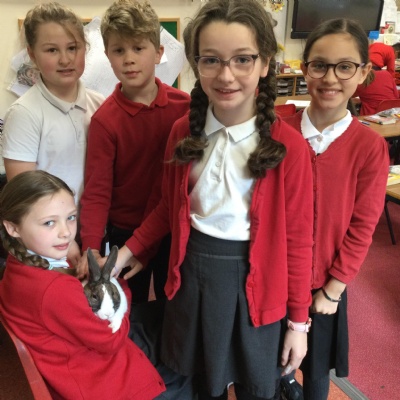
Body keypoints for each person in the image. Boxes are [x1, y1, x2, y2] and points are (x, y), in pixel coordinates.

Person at [110, 0, 315, 399]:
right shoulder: (182, 132)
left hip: (256, 283)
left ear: (265, 62)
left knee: (257, 385)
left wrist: (298, 324)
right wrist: (127, 252)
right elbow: (167, 208)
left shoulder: (287, 147)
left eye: (242, 59)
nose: (225, 75)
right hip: (193, 276)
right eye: (211, 60)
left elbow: (298, 241)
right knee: (202, 381)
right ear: (196, 63)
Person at [281, 18, 389, 400]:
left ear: (363, 72)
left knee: (316, 372)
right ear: (304, 68)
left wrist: (333, 289)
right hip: (271, 278)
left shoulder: (369, 148)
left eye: (344, 67)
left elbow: (363, 226)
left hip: (322, 286)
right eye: (319, 65)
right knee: (265, 367)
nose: (330, 78)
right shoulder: (277, 130)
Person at [0, 170, 165, 400]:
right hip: (99, 380)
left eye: (71, 217)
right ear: (13, 228)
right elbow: (112, 339)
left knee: (165, 319)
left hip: (71, 360)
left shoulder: (17, 263)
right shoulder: (55, 290)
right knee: (179, 332)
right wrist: (117, 287)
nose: (66, 232)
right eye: (49, 222)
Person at [76, 0, 190, 304]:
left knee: (173, 305)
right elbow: (97, 190)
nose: (128, 59)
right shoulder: (105, 121)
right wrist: (91, 248)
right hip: (125, 232)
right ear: (107, 56)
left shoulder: (185, 108)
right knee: (128, 308)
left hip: (172, 228)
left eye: (138, 48)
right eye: (118, 50)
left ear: (159, 53)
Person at [1, 2, 104, 264]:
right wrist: (67, 241)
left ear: (85, 49)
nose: (65, 59)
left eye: (73, 48)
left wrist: (90, 238)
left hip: (94, 232)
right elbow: (26, 194)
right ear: (32, 55)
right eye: (51, 50)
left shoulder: (100, 105)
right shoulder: (24, 113)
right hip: (50, 242)